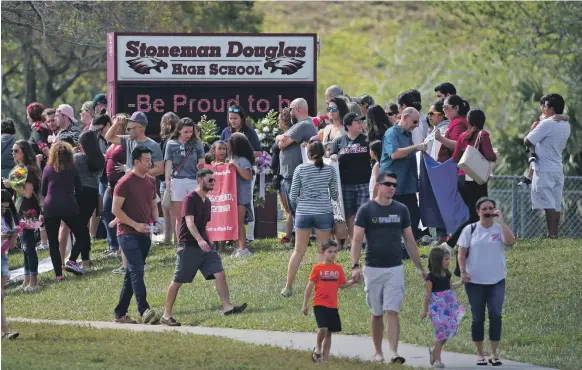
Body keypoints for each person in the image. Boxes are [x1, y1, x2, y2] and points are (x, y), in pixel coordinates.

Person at [351, 170, 427, 365]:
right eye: (388, 184)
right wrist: (355, 265)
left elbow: (410, 241)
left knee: (392, 310)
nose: (392, 188)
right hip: (373, 267)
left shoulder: (401, 209)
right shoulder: (366, 210)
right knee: (377, 313)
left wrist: (420, 267)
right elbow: (357, 239)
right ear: (378, 185)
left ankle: (394, 352)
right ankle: (378, 352)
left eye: (394, 184)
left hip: (395, 268)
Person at [160, 169, 248, 326]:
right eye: (210, 180)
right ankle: (166, 315)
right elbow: (189, 222)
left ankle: (228, 307)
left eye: (214, 180)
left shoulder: (207, 202)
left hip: (205, 244)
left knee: (219, 273)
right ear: (200, 180)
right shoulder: (190, 199)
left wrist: (207, 241)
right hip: (188, 245)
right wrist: (200, 240)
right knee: (178, 280)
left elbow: (203, 225)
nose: (213, 182)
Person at [457, 197, 516, 366]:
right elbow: (461, 254)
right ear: (478, 211)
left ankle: (494, 353)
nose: (488, 211)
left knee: (496, 316)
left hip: (496, 281)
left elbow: (510, 242)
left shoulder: (499, 229)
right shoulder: (470, 229)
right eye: (484, 209)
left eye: (491, 208)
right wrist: (463, 272)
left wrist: (502, 221)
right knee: (477, 318)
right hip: (475, 282)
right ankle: (479, 354)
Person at [281, 141, 338, 297]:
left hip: (303, 212)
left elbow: (292, 196)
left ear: (308, 154)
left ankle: (288, 287)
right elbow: (334, 195)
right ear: (324, 153)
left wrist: (301, 205)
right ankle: (321, 288)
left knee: (298, 250)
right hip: (323, 212)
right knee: (322, 250)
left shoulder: (300, 169)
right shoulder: (330, 170)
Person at [111, 146, 160, 324]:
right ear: (136, 162)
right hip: (126, 233)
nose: (150, 162)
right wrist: (135, 225)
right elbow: (115, 210)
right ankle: (144, 309)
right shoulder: (124, 182)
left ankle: (120, 313)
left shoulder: (150, 181)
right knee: (137, 270)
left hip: (144, 234)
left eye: (150, 159)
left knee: (132, 273)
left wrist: (157, 222)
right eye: (146, 160)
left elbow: (154, 205)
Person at [446, 109, 497, 248]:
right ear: (483, 121)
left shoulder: (463, 136)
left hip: (462, 179)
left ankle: (474, 242)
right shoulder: (483, 135)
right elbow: (489, 155)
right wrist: (494, 156)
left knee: (473, 213)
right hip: (476, 179)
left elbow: (455, 158)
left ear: (468, 121)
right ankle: (450, 243)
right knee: (478, 214)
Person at [42, 141, 91, 280]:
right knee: (82, 234)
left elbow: (43, 190)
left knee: (53, 243)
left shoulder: (48, 168)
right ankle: (72, 260)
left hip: (50, 206)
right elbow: (79, 189)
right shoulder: (73, 168)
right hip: (69, 205)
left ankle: (58, 275)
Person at [301, 240, 357, 363]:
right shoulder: (317, 268)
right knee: (323, 328)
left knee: (329, 332)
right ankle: (318, 347)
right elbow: (309, 286)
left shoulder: (338, 268)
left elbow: (342, 285)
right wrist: (305, 303)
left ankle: (325, 358)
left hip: (332, 305)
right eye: (330, 251)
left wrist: (353, 281)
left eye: (335, 252)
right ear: (323, 252)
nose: (333, 254)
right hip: (319, 304)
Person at [524, 94, 571, 238]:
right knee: (555, 204)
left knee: (548, 205)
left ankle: (551, 236)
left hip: (544, 169)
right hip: (557, 168)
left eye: (544, 105)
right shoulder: (565, 124)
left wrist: (533, 128)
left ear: (550, 108)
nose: (542, 108)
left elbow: (528, 140)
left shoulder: (546, 124)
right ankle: (554, 235)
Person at [380, 107, 426, 240]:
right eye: (415, 122)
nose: (416, 126)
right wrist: (415, 147)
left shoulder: (407, 134)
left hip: (407, 185)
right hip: (393, 186)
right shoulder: (391, 133)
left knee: (413, 217)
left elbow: (407, 152)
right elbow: (394, 154)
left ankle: (407, 247)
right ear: (405, 118)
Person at [3, 140, 42, 290]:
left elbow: (27, 193)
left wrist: (11, 185)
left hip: (28, 212)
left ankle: (34, 282)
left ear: (24, 152)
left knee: (29, 246)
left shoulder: (29, 170)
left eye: (16, 150)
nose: (13, 153)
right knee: (24, 247)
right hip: (19, 211)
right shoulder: (19, 169)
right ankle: (26, 280)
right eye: (12, 151)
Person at [64, 130, 105, 272]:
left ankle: (72, 259)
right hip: (92, 194)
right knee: (82, 228)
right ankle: (85, 260)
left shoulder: (78, 158)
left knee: (79, 229)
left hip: (78, 193)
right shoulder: (101, 159)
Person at [220, 105, 262, 243]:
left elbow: (258, 152)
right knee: (229, 201)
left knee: (246, 201)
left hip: (245, 169)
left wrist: (240, 154)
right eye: (230, 118)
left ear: (242, 118)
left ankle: (249, 236)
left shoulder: (249, 132)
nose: (232, 121)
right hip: (229, 172)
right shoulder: (226, 132)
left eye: (235, 118)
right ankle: (230, 234)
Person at [330, 113, 371, 246]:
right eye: (357, 122)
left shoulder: (367, 140)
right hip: (345, 184)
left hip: (364, 183)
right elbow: (331, 157)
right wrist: (333, 156)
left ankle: (362, 240)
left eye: (361, 122)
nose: (360, 124)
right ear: (348, 125)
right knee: (350, 215)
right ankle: (353, 241)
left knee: (362, 213)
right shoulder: (338, 141)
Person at [421, 247, 465, 368]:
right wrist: (426, 310)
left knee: (448, 332)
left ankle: (434, 349)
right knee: (440, 333)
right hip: (437, 308)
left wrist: (461, 282)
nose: (448, 261)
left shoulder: (447, 274)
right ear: (437, 260)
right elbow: (428, 294)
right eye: (446, 259)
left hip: (450, 306)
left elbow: (450, 288)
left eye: (449, 259)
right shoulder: (431, 278)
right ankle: (437, 360)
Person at [277, 98, 318, 223]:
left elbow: (281, 144)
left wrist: (279, 137)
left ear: (297, 109)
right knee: (294, 211)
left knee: (298, 210)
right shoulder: (300, 125)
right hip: (292, 175)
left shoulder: (303, 125)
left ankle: (303, 238)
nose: (289, 113)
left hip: (297, 176)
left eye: (290, 110)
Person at [164, 118, 205, 241]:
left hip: (193, 180)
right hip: (177, 181)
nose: (189, 134)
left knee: (195, 214)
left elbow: (202, 160)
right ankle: (181, 243)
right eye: (186, 132)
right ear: (179, 130)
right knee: (180, 216)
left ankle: (196, 241)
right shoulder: (171, 144)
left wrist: (200, 165)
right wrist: (167, 181)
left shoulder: (197, 143)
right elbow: (168, 163)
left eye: (191, 132)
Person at [104, 111, 164, 177]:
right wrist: (117, 124)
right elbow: (108, 137)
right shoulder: (128, 140)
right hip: (129, 182)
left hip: (144, 184)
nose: (127, 131)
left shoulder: (153, 145)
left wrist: (138, 175)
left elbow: (160, 169)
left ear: (138, 129)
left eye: (129, 129)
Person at [103, 114, 128, 256]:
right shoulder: (113, 140)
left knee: (120, 211)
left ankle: (121, 244)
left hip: (121, 180)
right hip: (110, 182)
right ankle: (113, 245)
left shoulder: (126, 140)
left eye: (116, 123)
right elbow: (107, 135)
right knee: (107, 211)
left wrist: (127, 167)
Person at [228, 133, 255, 257]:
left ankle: (243, 248)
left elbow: (247, 176)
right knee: (236, 223)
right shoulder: (235, 159)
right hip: (235, 196)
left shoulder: (243, 161)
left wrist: (236, 166)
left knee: (239, 223)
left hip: (242, 197)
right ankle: (239, 246)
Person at [158, 112, 180, 244]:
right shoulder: (176, 140)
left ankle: (172, 238)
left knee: (169, 211)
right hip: (172, 178)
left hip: (167, 179)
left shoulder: (168, 141)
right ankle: (170, 238)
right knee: (171, 211)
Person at [1, 190, 20, 339]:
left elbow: (13, 241)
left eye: (5, 208)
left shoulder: (7, 216)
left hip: (3, 257)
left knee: (1, 296)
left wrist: (13, 236)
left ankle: (4, 332)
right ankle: (4, 331)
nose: (3, 210)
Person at [433, 95, 470, 163]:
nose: (443, 110)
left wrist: (440, 138)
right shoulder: (458, 121)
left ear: (456, 108)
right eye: (443, 107)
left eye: (446, 107)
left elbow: (457, 145)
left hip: (455, 166)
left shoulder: (458, 123)